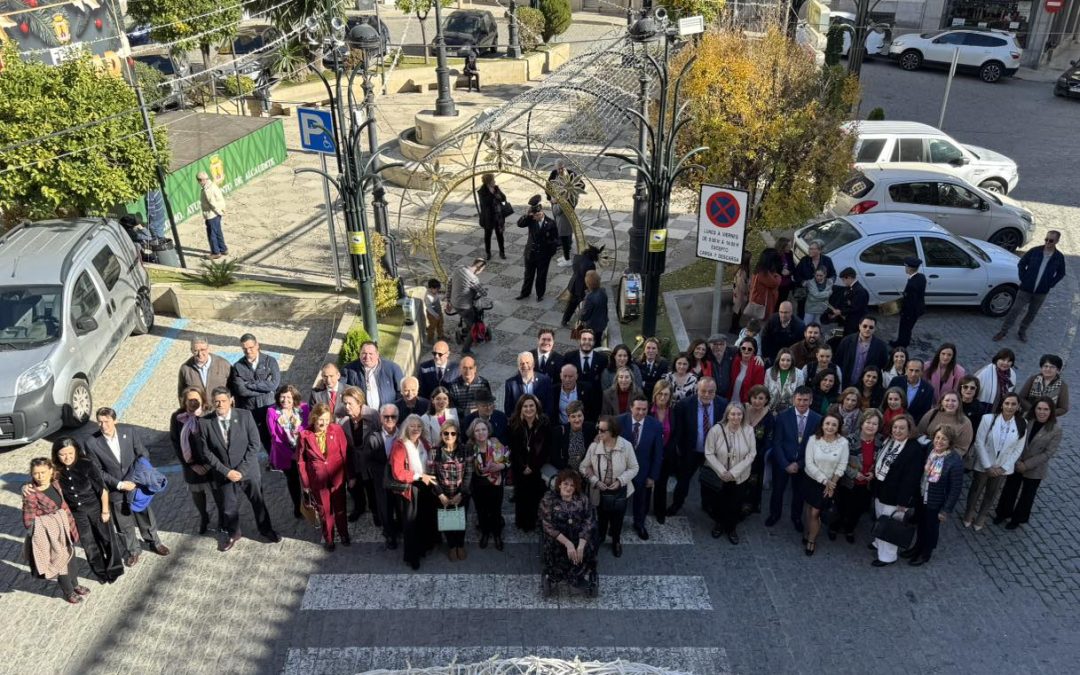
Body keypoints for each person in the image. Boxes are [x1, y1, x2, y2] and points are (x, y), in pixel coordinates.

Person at [195, 387, 281, 552]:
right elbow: (206, 452)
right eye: (217, 401)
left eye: (223, 401)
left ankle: (265, 529)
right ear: (213, 402)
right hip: (224, 474)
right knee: (228, 507)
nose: (220, 404)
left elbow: (254, 444)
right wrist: (226, 471)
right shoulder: (205, 422)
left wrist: (241, 470)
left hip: (247, 471)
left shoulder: (245, 416)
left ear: (231, 400)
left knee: (258, 502)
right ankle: (233, 533)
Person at [85, 408, 168, 565]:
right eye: (100, 422)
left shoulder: (128, 432)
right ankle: (133, 550)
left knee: (145, 516)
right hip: (116, 489)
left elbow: (142, 454)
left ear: (115, 420)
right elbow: (97, 471)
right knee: (123, 523)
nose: (103, 425)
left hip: (137, 485)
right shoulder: (91, 443)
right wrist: (120, 484)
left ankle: (154, 542)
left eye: (107, 421)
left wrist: (136, 479)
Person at [49, 439, 124, 584]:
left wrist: (105, 511)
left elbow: (102, 489)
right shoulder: (56, 470)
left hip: (96, 508)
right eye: (62, 455)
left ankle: (114, 568)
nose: (67, 457)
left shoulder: (87, 464)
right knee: (89, 543)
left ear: (76, 451)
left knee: (107, 538)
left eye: (70, 453)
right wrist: (26, 487)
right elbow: (40, 478)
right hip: (77, 514)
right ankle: (100, 571)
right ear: (56, 455)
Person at [21, 458, 87, 603]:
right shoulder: (31, 494)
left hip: (67, 528)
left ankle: (75, 584)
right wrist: (51, 520)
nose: (40, 476)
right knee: (61, 562)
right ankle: (68, 592)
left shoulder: (56, 483)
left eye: (43, 472)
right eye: (36, 473)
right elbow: (28, 521)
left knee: (71, 559)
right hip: (52, 535)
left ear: (51, 471)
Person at [994, 397, 1062, 529]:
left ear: (1051, 411)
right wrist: (1018, 460)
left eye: (1046, 409)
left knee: (1027, 495)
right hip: (1017, 461)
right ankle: (1002, 513)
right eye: (1039, 408)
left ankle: (1018, 519)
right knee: (1009, 489)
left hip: (1035, 468)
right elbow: (1015, 440)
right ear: (1034, 409)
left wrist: (1026, 465)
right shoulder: (1026, 420)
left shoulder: (1055, 430)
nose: (1042, 412)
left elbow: (1048, 453)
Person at [668, 378, 729, 517]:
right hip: (691, 451)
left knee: (708, 480)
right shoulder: (684, 405)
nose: (707, 394)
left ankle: (706, 505)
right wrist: (678, 451)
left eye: (711, 391)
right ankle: (677, 504)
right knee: (683, 480)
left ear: (716, 391)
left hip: (713, 452)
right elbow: (678, 431)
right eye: (703, 391)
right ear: (697, 390)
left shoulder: (723, 404)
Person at [964, 393, 1026, 531]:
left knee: (991, 494)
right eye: (1007, 403)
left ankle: (982, 516)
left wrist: (1003, 467)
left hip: (1002, 468)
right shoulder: (988, 419)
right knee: (975, 490)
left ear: (1018, 406)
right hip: (984, 464)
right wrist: (987, 466)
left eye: (1013, 404)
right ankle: (969, 512)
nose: (1009, 407)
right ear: (1002, 404)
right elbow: (979, 442)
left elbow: (1018, 449)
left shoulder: (1022, 423)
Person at [904, 426, 964, 566]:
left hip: (936, 502)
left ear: (950, 442)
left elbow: (955, 489)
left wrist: (946, 510)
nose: (939, 441)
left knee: (931, 528)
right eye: (937, 437)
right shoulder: (930, 448)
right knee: (921, 524)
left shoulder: (955, 461)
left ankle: (925, 553)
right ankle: (917, 548)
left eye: (944, 439)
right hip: (922, 495)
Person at [580, 415, 639, 557]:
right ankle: (601, 537)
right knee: (602, 516)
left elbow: (634, 468)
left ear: (612, 432)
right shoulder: (594, 447)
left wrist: (620, 481)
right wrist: (595, 481)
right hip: (600, 491)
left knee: (618, 518)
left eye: (602, 430)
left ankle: (616, 541)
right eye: (598, 428)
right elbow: (583, 467)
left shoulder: (626, 446)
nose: (598, 432)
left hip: (620, 491)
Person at [870, 414, 924, 567]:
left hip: (896, 495)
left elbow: (911, 480)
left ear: (910, 430)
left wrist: (903, 502)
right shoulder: (889, 441)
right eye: (895, 427)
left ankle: (887, 556)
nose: (897, 431)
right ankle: (878, 542)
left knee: (890, 524)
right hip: (881, 489)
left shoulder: (914, 449)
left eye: (902, 428)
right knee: (881, 518)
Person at [767, 386, 821, 532]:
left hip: (803, 464)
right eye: (799, 399)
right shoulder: (783, 416)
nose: (802, 403)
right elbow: (777, 442)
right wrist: (785, 464)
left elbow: (816, 446)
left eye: (805, 400)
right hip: (782, 462)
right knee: (778, 490)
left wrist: (800, 464)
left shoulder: (817, 419)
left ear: (811, 401)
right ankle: (774, 514)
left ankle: (796, 517)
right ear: (793, 400)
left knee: (799, 493)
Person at [994, 230, 1065, 342]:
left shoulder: (1059, 257)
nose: (1047, 242)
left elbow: (1061, 273)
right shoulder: (1035, 251)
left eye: (1051, 240)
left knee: (1032, 313)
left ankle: (1022, 331)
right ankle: (1003, 331)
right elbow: (1022, 263)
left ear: (1056, 241)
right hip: (1025, 289)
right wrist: (1023, 278)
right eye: (1046, 239)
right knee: (1015, 310)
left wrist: (1050, 284)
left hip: (1041, 292)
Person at [297, 404, 351, 551]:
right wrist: (306, 484)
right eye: (321, 420)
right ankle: (329, 539)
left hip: (337, 478)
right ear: (314, 418)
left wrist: (349, 476)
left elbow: (345, 455)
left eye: (327, 420)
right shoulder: (304, 436)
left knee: (340, 508)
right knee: (324, 511)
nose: (324, 424)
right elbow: (301, 461)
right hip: (317, 481)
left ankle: (344, 533)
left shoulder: (337, 430)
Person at [701, 403, 756, 544]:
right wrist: (722, 471)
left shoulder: (748, 431)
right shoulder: (716, 430)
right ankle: (719, 524)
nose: (736, 417)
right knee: (719, 501)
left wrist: (733, 473)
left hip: (740, 476)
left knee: (735, 503)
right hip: (721, 475)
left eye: (739, 414)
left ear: (743, 415)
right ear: (727, 415)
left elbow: (751, 454)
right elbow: (709, 452)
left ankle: (731, 528)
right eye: (733, 414)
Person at [170, 387, 223, 534]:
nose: (193, 402)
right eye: (190, 400)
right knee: (197, 493)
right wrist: (191, 464)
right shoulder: (177, 417)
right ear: (184, 401)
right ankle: (204, 517)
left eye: (196, 399)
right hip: (191, 463)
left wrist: (209, 463)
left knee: (217, 491)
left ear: (202, 399)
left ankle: (222, 517)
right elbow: (175, 442)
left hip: (211, 462)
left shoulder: (209, 414)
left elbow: (216, 440)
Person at [388, 414, 437, 570]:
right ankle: (412, 556)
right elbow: (398, 472)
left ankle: (423, 548)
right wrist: (420, 476)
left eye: (419, 426)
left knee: (423, 518)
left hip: (425, 485)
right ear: (405, 428)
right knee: (411, 523)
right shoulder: (400, 445)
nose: (416, 429)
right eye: (412, 426)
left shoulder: (423, 442)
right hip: (411, 487)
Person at [540, 469, 597, 592]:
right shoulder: (549, 499)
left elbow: (589, 521)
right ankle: (555, 574)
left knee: (587, 546)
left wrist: (581, 545)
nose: (568, 487)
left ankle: (577, 574)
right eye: (565, 484)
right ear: (559, 484)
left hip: (578, 536)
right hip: (558, 538)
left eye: (572, 485)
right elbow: (547, 525)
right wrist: (568, 543)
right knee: (554, 548)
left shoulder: (583, 499)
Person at [830, 409, 882, 544]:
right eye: (868, 422)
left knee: (857, 510)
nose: (871, 426)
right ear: (862, 423)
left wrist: (874, 473)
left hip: (866, 484)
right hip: (848, 482)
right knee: (841, 508)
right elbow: (840, 462)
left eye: (874, 424)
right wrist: (854, 474)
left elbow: (882, 463)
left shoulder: (881, 443)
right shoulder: (850, 440)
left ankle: (850, 529)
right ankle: (834, 527)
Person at [802, 412, 849, 556]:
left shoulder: (843, 443)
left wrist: (831, 484)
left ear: (838, 427)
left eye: (834, 424)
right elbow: (809, 463)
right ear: (822, 425)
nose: (830, 427)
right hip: (811, 480)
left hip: (829, 484)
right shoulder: (813, 439)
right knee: (808, 508)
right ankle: (807, 531)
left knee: (816, 512)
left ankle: (811, 539)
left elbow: (842, 465)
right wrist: (824, 480)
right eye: (827, 423)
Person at [619, 395, 664, 541]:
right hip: (622, 471)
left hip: (643, 471)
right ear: (631, 407)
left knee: (642, 501)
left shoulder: (655, 425)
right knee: (620, 500)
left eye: (644, 409)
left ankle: (639, 524)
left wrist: (653, 476)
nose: (641, 412)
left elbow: (658, 454)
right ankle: (616, 525)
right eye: (637, 408)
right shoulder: (619, 421)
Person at [429, 420, 473, 561]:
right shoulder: (434, 451)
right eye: (446, 433)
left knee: (461, 520)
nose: (449, 436)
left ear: (457, 435)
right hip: (443, 493)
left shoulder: (466, 449)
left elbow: (469, 473)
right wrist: (440, 494)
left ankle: (460, 544)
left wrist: (461, 494)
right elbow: (432, 475)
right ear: (441, 434)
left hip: (461, 493)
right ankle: (452, 546)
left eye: (453, 433)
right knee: (447, 521)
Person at [229, 333, 281, 450]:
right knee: (255, 438)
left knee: (273, 434)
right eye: (245, 349)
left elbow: (274, 385)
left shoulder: (270, 362)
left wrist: (251, 385)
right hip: (250, 409)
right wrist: (265, 390)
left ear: (257, 345)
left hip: (269, 406)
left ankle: (275, 460)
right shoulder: (238, 366)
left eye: (251, 347)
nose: (248, 351)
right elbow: (241, 391)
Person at [267, 384, 309, 519]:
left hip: (304, 451)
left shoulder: (304, 408)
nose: (285, 400)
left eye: (288, 397)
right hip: (285, 454)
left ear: (294, 397)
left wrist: (301, 446)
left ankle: (311, 504)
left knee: (308, 478)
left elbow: (308, 428)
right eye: (282, 397)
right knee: (293, 481)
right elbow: (275, 437)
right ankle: (298, 508)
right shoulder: (272, 411)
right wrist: (292, 455)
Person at [362, 403, 401, 548]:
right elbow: (367, 460)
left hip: (399, 480)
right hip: (382, 480)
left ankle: (400, 528)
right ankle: (390, 535)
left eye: (393, 416)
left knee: (400, 506)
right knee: (385, 508)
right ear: (380, 418)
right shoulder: (373, 437)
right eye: (386, 417)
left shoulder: (403, 434)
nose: (390, 419)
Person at [509, 394, 550, 531]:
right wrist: (523, 466)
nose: (528, 409)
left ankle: (534, 521)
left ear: (536, 407)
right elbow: (514, 449)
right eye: (525, 406)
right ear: (520, 408)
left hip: (537, 467)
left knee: (535, 496)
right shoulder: (514, 424)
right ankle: (522, 523)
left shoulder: (544, 423)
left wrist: (532, 466)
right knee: (521, 496)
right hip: (519, 468)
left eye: (531, 405)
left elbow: (545, 449)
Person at [468, 418, 509, 549]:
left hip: (495, 484)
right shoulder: (470, 447)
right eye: (477, 430)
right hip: (477, 485)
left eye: (483, 429)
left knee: (495, 510)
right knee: (481, 510)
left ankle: (497, 534)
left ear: (488, 431)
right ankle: (485, 533)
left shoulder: (495, 444)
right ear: (473, 433)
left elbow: (507, 461)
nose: (481, 433)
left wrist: (501, 466)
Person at [341, 387, 377, 525]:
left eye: (350, 403)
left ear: (359, 402)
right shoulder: (344, 421)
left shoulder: (372, 416)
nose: (347, 406)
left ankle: (375, 511)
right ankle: (359, 508)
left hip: (369, 461)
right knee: (355, 487)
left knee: (371, 488)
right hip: (354, 460)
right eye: (345, 403)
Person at [515, 195, 560, 302]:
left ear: (541, 213)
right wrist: (527, 215)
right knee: (528, 275)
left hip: (543, 255)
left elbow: (557, 241)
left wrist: (549, 252)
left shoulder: (550, 223)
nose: (535, 218)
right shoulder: (531, 219)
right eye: (533, 216)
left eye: (537, 216)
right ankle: (525, 293)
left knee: (541, 276)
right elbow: (519, 224)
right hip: (530, 253)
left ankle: (540, 294)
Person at [344, 340, 405, 411]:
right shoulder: (349, 370)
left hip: (388, 415)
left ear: (377, 354)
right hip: (362, 416)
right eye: (364, 353)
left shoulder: (392, 368)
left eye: (370, 354)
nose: (367, 357)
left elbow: (402, 392)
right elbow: (343, 392)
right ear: (359, 354)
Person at [650, 380, 678, 523]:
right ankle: (642, 510)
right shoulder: (648, 410)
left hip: (666, 454)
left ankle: (659, 511)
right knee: (647, 483)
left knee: (661, 484)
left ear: (670, 396)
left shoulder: (674, 412)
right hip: (649, 454)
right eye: (660, 394)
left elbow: (676, 434)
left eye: (666, 394)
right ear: (655, 394)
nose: (662, 397)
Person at [743, 385, 773, 514]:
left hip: (756, 457)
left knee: (752, 484)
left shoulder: (769, 417)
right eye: (754, 397)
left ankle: (749, 506)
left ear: (766, 400)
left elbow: (769, 439)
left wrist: (755, 455)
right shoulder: (743, 409)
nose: (757, 401)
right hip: (738, 454)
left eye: (761, 398)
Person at [835, 316, 889, 388]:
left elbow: (883, 366)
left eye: (871, 327)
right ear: (859, 326)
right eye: (865, 326)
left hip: (866, 387)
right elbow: (838, 361)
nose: (867, 329)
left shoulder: (881, 346)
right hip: (845, 383)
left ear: (874, 329)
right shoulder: (847, 341)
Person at [563, 330, 608, 415]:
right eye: (584, 339)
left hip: (594, 404)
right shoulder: (569, 357)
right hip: (574, 403)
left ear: (594, 342)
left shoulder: (602, 359)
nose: (587, 342)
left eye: (590, 340)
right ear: (579, 340)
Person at [449, 258, 488, 355]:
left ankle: (466, 328)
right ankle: (465, 350)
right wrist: (485, 290)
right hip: (464, 306)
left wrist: (448, 300)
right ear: (479, 268)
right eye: (482, 270)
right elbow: (483, 293)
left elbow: (449, 283)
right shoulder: (473, 278)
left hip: (454, 302)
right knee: (473, 327)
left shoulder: (459, 269)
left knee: (468, 319)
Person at [504, 351, 555, 420]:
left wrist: (542, 420)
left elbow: (550, 404)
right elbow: (508, 408)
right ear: (518, 367)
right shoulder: (510, 383)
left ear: (533, 364)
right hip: (519, 423)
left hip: (540, 422)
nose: (525, 366)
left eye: (527, 363)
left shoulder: (545, 380)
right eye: (521, 364)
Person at [562, 244, 603, 326]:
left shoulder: (577, 258)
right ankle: (582, 322)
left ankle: (564, 320)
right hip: (582, 287)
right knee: (585, 306)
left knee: (571, 304)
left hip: (574, 284)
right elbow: (590, 277)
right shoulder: (590, 264)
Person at [890, 257, 926, 349]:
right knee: (908, 329)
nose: (905, 269)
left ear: (910, 268)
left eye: (906, 267)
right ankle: (903, 342)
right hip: (918, 309)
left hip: (910, 312)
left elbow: (911, 301)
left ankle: (901, 346)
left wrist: (904, 312)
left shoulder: (911, 284)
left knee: (904, 329)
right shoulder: (921, 277)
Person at [887, 358, 935, 423]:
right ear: (906, 369)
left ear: (922, 371)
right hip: (892, 420)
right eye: (911, 370)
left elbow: (925, 412)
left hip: (913, 424)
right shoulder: (896, 381)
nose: (913, 374)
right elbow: (887, 401)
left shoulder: (928, 389)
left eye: (917, 371)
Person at [552, 400, 596, 470]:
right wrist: (569, 472)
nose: (577, 419)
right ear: (568, 418)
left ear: (583, 416)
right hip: (566, 471)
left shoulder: (591, 428)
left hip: (586, 470)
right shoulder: (559, 431)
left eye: (579, 415)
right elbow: (555, 458)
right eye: (573, 416)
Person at [826, 267, 869, 336]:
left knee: (850, 337)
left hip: (855, 322)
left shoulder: (860, 292)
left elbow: (856, 308)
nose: (843, 282)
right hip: (850, 320)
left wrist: (840, 311)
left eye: (843, 280)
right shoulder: (852, 288)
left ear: (848, 278)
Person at [446, 355, 491, 420]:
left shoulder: (483, 383)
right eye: (464, 368)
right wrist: (469, 412)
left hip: (480, 420)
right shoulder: (453, 385)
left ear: (475, 369)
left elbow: (488, 402)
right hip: (462, 421)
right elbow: (452, 407)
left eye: (470, 368)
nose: (468, 371)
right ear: (460, 369)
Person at [973, 348, 1017, 413]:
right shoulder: (985, 372)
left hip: (999, 411)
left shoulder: (1012, 375)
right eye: (1003, 360)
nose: (1005, 363)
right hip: (982, 408)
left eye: (1009, 361)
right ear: (997, 359)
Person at [476, 173, 508, 260]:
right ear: (488, 182)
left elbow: (504, 198)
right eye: (493, 180)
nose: (495, 181)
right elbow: (485, 203)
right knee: (488, 236)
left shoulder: (496, 188)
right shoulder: (482, 191)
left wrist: (499, 195)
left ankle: (502, 252)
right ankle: (488, 253)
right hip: (488, 217)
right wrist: (494, 195)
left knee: (500, 235)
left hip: (498, 216)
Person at [198, 170, 227, 259]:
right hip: (217, 213)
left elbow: (212, 203)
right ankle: (223, 249)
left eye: (199, 180)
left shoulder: (207, 190)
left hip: (212, 214)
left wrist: (218, 212)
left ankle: (216, 252)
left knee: (212, 234)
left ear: (202, 180)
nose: (198, 182)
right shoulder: (212, 184)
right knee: (218, 232)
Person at [766, 348, 804, 414]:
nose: (785, 363)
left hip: (790, 411)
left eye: (788, 360)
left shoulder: (799, 373)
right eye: (782, 360)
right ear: (778, 360)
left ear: (792, 361)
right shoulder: (769, 371)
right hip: (770, 410)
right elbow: (765, 391)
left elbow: (800, 394)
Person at [730, 337, 767, 404]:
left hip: (746, 403)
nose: (746, 351)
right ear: (740, 349)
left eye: (749, 349)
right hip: (730, 401)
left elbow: (757, 390)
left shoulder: (758, 366)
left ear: (754, 351)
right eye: (743, 348)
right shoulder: (734, 360)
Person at [748, 254, 782, 321]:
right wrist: (778, 276)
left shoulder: (760, 269)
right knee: (760, 326)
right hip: (762, 305)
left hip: (757, 302)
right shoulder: (764, 273)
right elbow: (775, 283)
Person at [580, 270, 610, 343]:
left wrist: (580, 313)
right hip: (602, 323)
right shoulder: (603, 292)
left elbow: (585, 315)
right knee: (598, 341)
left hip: (592, 326)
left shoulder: (589, 298)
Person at [551, 194, 575, 268]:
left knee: (565, 243)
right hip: (565, 222)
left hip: (564, 224)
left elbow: (555, 211)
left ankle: (567, 260)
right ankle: (565, 256)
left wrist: (555, 202)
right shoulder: (571, 198)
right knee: (566, 241)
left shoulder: (564, 201)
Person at [731, 251, 751, 332]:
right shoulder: (742, 272)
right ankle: (733, 327)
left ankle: (735, 326)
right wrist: (748, 290)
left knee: (738, 312)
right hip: (739, 295)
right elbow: (742, 286)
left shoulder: (743, 270)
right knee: (737, 312)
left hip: (739, 295)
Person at [423, 278, 447, 343]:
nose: (437, 291)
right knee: (432, 327)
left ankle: (440, 336)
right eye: (436, 289)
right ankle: (430, 339)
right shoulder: (428, 296)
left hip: (438, 312)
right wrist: (435, 315)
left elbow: (437, 300)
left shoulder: (434, 292)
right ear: (431, 288)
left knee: (440, 324)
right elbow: (429, 308)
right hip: (432, 314)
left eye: (438, 289)